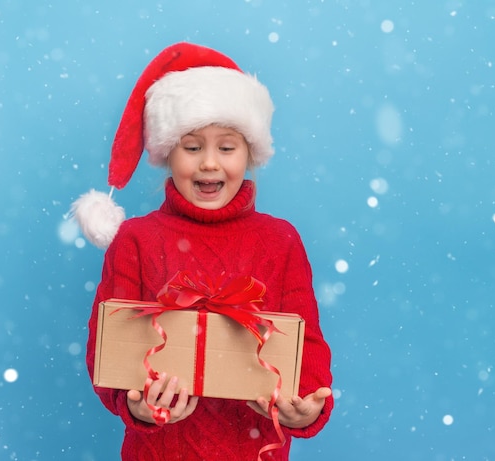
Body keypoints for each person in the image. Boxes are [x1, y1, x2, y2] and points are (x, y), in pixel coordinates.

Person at [72, 42, 333, 460]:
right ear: (167, 153)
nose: (209, 164)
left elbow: (309, 349)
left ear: (250, 152)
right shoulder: (135, 240)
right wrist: (135, 404)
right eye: (192, 147)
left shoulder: (281, 241)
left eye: (226, 147)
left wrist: (304, 408)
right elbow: (107, 351)